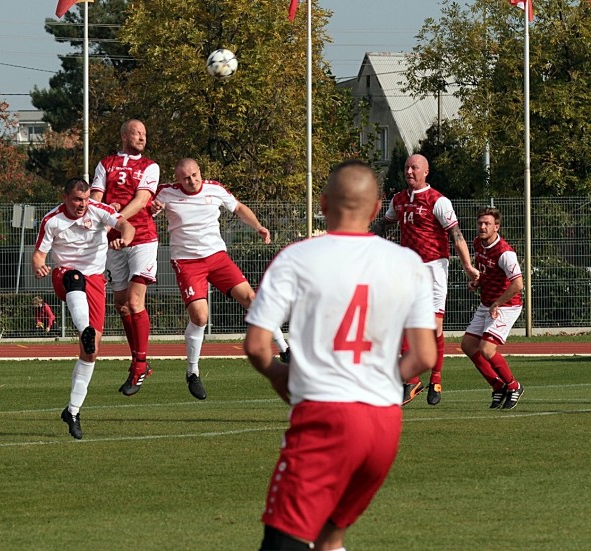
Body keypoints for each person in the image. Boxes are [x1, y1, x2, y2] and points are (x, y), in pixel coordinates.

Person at [243, 160, 437, 551]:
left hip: (326, 415)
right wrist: (379, 379)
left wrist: (280, 376)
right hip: (384, 424)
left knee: (284, 542)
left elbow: (256, 344)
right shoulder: (407, 264)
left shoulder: (297, 257)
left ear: (323, 202)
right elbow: (424, 356)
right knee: (329, 538)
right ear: (377, 207)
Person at [153, 158, 289, 400]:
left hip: (217, 258)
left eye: (194, 175)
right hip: (187, 262)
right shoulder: (166, 193)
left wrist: (258, 226)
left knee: (252, 299)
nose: (191, 180)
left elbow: (238, 207)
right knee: (200, 316)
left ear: (200, 172)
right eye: (185, 177)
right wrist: (152, 209)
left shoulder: (215, 188)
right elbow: (147, 206)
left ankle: (284, 349)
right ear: (178, 179)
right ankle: (192, 372)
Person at [372, 153, 479, 406]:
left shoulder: (438, 201)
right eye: (407, 168)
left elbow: (457, 235)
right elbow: (384, 226)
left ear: (426, 172)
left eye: (414, 168)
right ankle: (412, 381)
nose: (409, 172)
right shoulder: (398, 200)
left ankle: (436, 378)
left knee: (433, 329)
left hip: (433, 268)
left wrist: (468, 266)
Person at [33, 177, 135, 439]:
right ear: (65, 197)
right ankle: (84, 328)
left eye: (86, 199)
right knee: (74, 277)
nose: (82, 204)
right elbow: (38, 255)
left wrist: (123, 239)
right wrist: (39, 266)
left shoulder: (99, 211)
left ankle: (73, 410)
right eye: (77, 199)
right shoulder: (52, 220)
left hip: (96, 282)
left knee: (91, 352)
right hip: (65, 277)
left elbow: (126, 225)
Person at [90, 119, 160, 397]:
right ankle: (138, 359)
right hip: (112, 241)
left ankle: (140, 364)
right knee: (121, 305)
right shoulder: (105, 163)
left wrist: (114, 217)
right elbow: (97, 196)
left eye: (145, 132)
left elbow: (142, 200)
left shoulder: (150, 166)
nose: (142, 136)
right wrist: (104, 211)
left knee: (134, 300)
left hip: (141, 237)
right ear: (123, 135)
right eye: (137, 132)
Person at [461, 207, 525, 410]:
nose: (482, 226)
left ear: (496, 227)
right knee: (468, 346)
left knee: (487, 349)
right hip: (487, 304)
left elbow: (518, 284)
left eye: (487, 223)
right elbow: (486, 272)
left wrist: (497, 303)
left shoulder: (505, 253)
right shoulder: (478, 243)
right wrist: (477, 282)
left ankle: (514, 387)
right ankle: (498, 386)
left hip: (507, 305)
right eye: (480, 222)